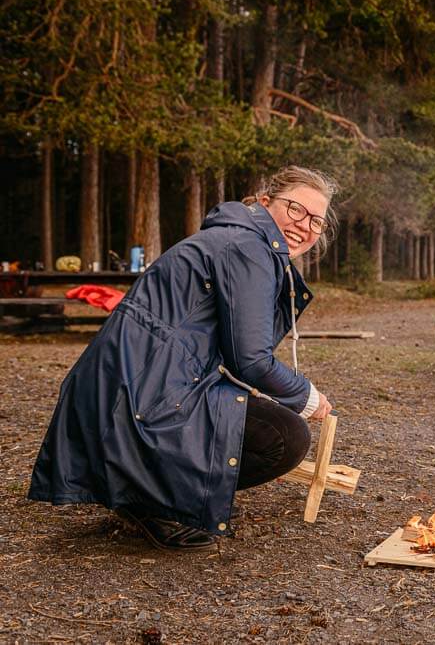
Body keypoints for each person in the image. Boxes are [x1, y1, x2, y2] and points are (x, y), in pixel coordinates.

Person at [28, 166, 338, 551]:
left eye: (316, 221)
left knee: (264, 417)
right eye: (295, 209)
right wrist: (307, 396)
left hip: (130, 388)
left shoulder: (241, 240)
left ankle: (169, 493)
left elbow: (223, 349)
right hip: (139, 396)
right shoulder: (248, 247)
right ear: (264, 202)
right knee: (286, 435)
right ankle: (157, 502)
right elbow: (251, 360)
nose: (304, 226)